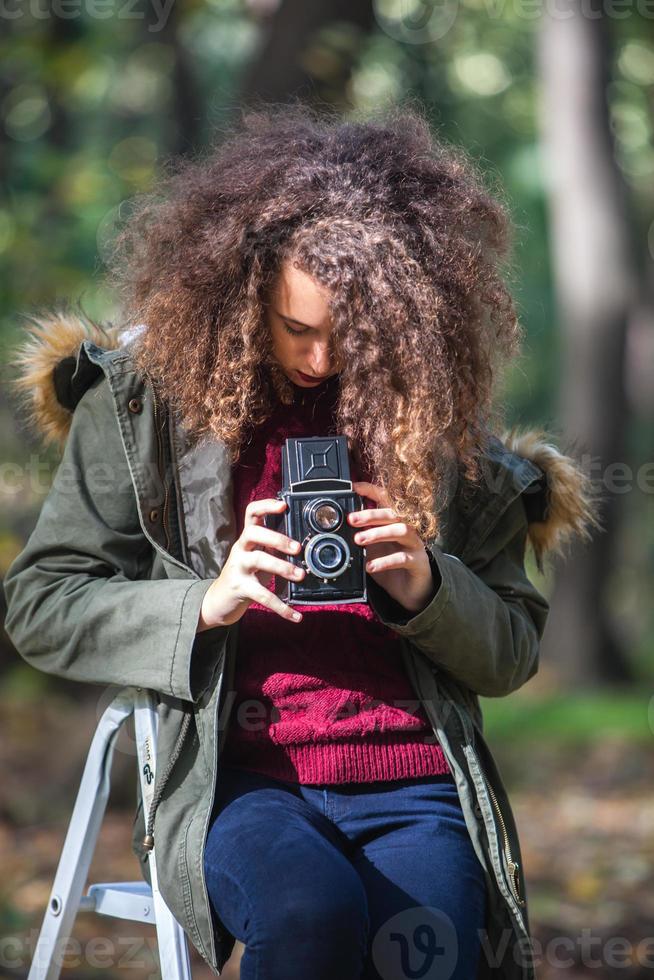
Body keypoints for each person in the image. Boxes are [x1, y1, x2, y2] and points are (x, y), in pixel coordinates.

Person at [4, 101, 602, 980]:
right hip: (238, 780)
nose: (321, 361)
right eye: (297, 329)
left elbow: (511, 653)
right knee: (311, 918)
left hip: (410, 778)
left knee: (424, 956)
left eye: (348, 335)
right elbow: (40, 605)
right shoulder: (140, 410)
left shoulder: (438, 431)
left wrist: (428, 590)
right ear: (244, 292)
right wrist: (205, 603)